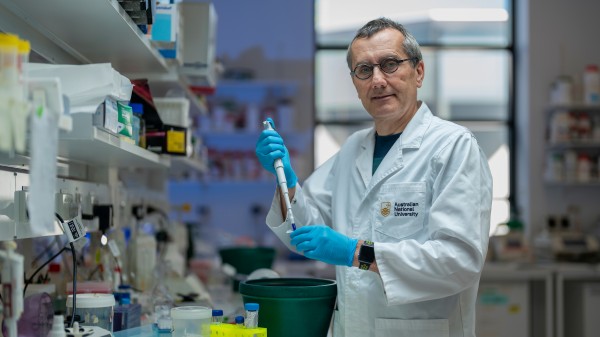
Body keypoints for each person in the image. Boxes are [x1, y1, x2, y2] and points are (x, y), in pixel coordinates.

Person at [255, 17, 493, 337]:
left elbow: (458, 261)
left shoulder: (453, 147)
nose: (377, 80)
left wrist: (357, 253)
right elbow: (303, 228)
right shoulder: (353, 149)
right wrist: (285, 178)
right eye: (364, 70)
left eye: (390, 64)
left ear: (418, 72)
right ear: (355, 83)